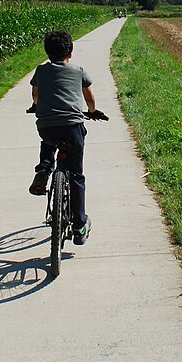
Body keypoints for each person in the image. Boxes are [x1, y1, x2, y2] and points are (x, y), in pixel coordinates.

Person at [27, 30, 106, 245]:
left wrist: (36, 106)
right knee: (76, 175)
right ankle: (79, 225)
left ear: (47, 52)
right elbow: (88, 96)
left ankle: (43, 171)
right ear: (70, 51)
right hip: (72, 128)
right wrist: (91, 111)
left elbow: (36, 93)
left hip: (47, 126)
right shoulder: (78, 71)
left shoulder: (41, 71)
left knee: (48, 141)